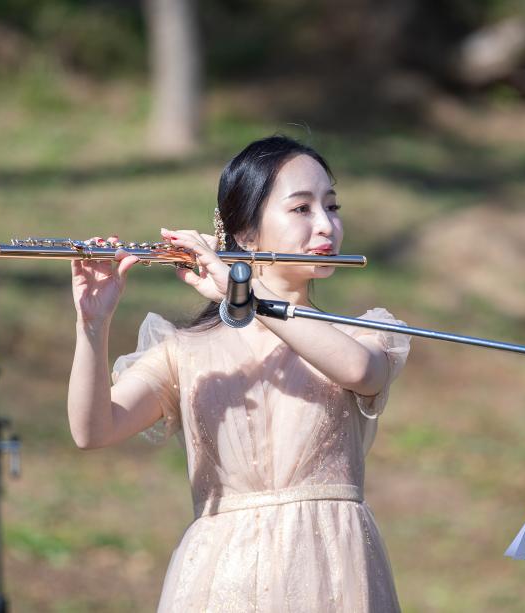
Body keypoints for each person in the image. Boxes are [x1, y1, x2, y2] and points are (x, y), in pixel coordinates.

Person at [67, 135, 411, 612]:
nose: (325, 225)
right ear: (246, 235)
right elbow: (93, 429)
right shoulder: (185, 352)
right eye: (301, 209)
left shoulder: (363, 334)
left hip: (334, 572)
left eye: (331, 206)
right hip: (221, 579)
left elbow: (357, 370)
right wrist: (92, 324)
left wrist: (245, 293)